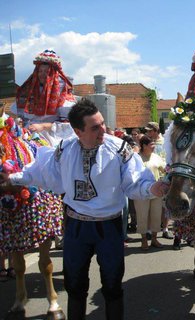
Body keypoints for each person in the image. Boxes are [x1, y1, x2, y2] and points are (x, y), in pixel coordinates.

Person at [0, 98, 169, 320]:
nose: (103, 131)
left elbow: (134, 183)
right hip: (76, 227)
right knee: (75, 285)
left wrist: (153, 188)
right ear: (78, 131)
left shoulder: (119, 148)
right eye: (95, 128)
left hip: (109, 226)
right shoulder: (63, 148)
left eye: (102, 124)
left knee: (112, 285)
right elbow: (39, 173)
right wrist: (11, 177)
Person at [11, 49, 76, 146]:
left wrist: (43, 126)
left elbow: (68, 126)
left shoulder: (62, 95)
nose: (42, 74)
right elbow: (22, 117)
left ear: (53, 73)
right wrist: (19, 123)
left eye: (46, 71)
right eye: (40, 71)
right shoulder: (29, 91)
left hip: (51, 137)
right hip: (27, 134)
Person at [134, 135, 166, 250]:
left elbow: (165, 170)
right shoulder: (136, 158)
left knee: (156, 216)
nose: (153, 147)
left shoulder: (157, 157)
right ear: (143, 146)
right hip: (141, 192)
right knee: (142, 216)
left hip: (157, 192)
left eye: (153, 144)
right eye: (151, 145)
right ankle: (143, 240)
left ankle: (154, 239)